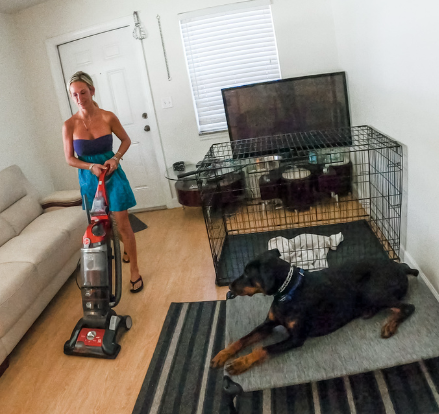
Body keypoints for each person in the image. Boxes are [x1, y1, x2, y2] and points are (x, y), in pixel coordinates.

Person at [62, 71, 143, 293]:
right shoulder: (69, 125)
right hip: (90, 180)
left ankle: (134, 270)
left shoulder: (108, 117)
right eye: (74, 94)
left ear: (92, 91)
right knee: (101, 227)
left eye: (83, 92)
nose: (79, 98)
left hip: (112, 175)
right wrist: (89, 166)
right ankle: (109, 267)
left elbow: (125, 140)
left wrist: (115, 158)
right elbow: (70, 159)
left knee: (122, 223)